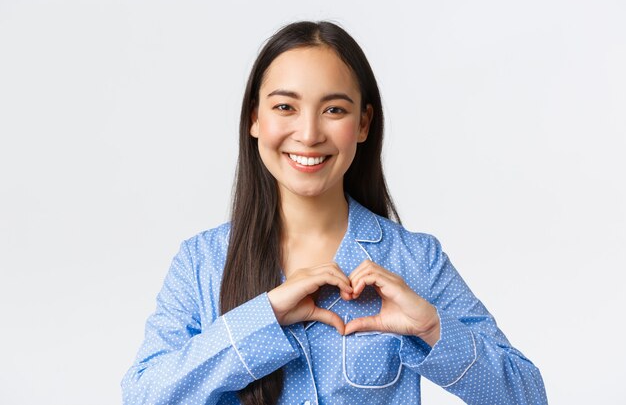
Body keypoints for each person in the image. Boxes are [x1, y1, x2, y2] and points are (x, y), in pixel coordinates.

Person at [121, 21, 548, 405]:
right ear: (255, 118)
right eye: (285, 107)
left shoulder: (414, 261)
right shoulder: (202, 262)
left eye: (334, 110)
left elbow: (528, 395)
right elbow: (143, 396)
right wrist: (263, 317)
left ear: (363, 124)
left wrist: (433, 330)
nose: (308, 134)